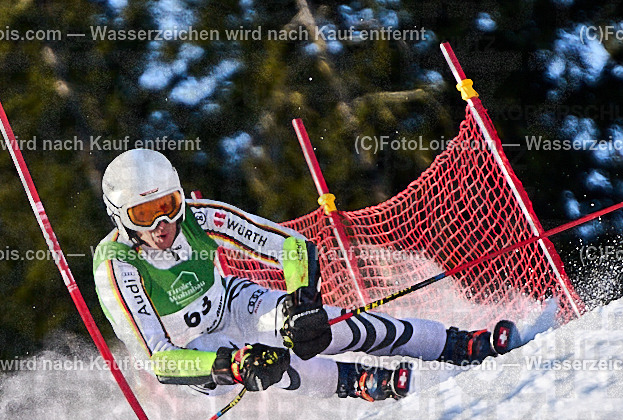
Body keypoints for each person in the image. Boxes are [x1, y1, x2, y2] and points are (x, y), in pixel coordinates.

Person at [93, 149, 517, 401]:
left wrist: (302, 300)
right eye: (144, 215)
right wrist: (229, 365)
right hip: (197, 353)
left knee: (330, 325)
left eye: (169, 204)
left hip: (231, 302)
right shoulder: (117, 265)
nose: (162, 223)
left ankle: (457, 344)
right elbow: (159, 359)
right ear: (121, 217)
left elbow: (292, 246)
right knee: (270, 361)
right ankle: (359, 382)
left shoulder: (200, 218)